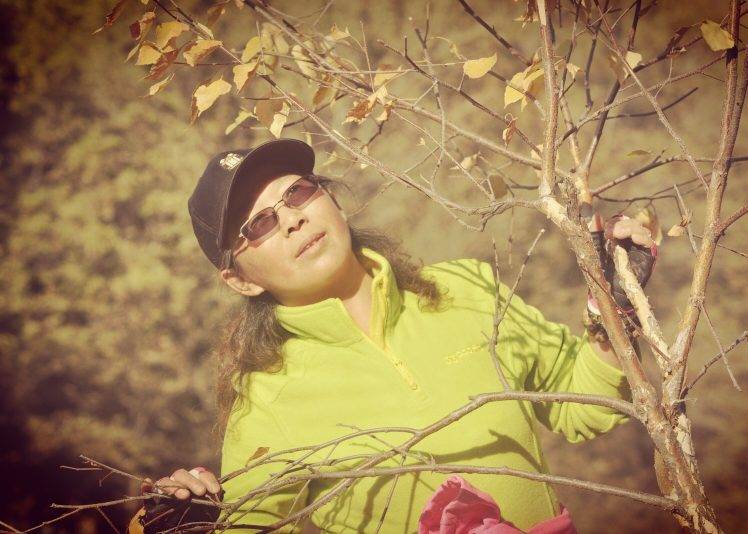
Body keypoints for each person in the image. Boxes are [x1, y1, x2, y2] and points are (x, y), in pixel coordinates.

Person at [128, 138, 656, 533]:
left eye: (297, 193)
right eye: (259, 224)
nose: (291, 220)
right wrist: (181, 524)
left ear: (331, 200)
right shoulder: (267, 397)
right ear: (241, 280)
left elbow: (580, 405)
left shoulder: (465, 288)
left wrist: (613, 310)